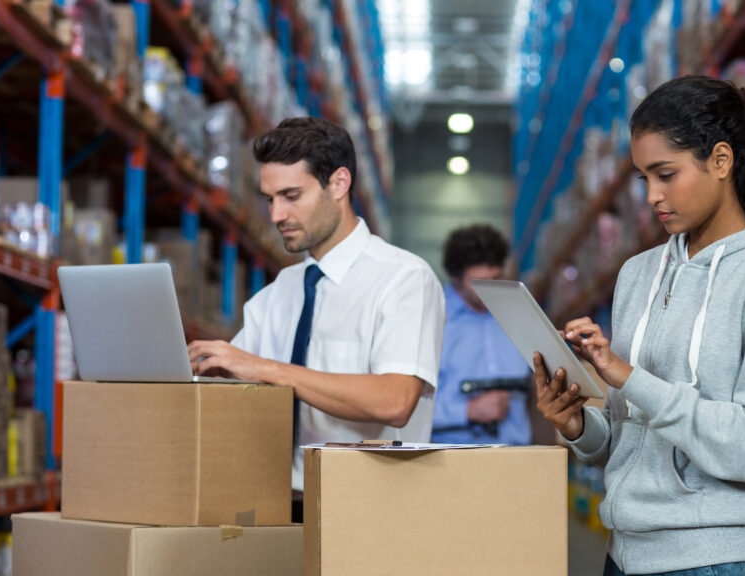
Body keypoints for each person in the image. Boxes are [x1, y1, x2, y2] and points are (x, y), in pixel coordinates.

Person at [533, 75, 745, 576]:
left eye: (667, 174)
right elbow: (630, 435)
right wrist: (580, 425)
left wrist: (631, 378)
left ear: (721, 161)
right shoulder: (639, 274)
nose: (652, 196)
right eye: (643, 179)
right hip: (627, 572)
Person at [187, 117, 445, 520]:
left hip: (371, 511)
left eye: (291, 195)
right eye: (269, 199)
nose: (276, 214)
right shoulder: (279, 293)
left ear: (339, 184)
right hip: (278, 503)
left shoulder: (403, 279)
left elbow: (395, 401)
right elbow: (237, 376)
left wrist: (268, 369)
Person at [431, 224, 531, 445]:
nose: (489, 289)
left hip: (517, 457)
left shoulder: (521, 315)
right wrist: (467, 411)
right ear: (455, 278)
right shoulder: (431, 320)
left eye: (495, 278)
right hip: (450, 457)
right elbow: (405, 406)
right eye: (478, 283)